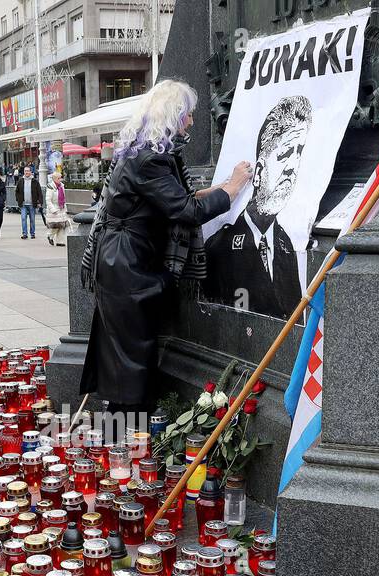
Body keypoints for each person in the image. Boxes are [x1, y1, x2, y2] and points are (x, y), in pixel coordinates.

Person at [79, 79, 251, 432]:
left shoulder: (144, 153)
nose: (190, 123)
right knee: (132, 362)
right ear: (173, 116)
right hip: (127, 268)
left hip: (121, 264)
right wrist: (232, 188)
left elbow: (174, 198)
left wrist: (220, 188)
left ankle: (122, 445)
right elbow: (185, 210)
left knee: (126, 359)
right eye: (187, 115)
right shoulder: (152, 159)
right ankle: (124, 450)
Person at [204, 95, 311, 317]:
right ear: (259, 171)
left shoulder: (287, 243)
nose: (292, 167)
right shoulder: (217, 247)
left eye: (298, 154)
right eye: (285, 154)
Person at [16, 165, 42, 239]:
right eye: (25, 171)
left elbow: (39, 192)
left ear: (31, 172)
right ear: (24, 172)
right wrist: (18, 200)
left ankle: (32, 233)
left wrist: (40, 202)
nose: (26, 172)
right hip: (23, 204)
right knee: (23, 218)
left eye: (28, 171)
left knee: (32, 219)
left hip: (32, 204)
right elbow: (17, 191)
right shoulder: (21, 180)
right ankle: (24, 234)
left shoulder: (35, 181)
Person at [45, 171, 69, 246]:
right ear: (54, 179)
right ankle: (50, 236)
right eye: (59, 178)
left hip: (61, 207)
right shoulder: (50, 187)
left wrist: (65, 208)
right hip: (54, 209)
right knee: (56, 225)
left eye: (60, 178)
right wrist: (53, 209)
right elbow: (48, 200)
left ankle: (60, 241)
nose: (60, 179)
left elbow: (63, 198)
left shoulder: (61, 186)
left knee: (62, 225)